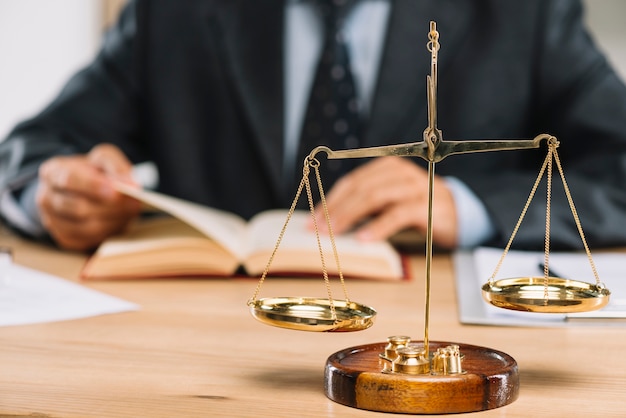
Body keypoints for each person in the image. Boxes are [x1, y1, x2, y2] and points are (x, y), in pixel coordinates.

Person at [2, 0, 626, 253]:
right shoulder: (176, 10)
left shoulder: (525, 13)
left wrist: (468, 205)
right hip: (211, 353)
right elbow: (31, 150)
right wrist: (55, 191)